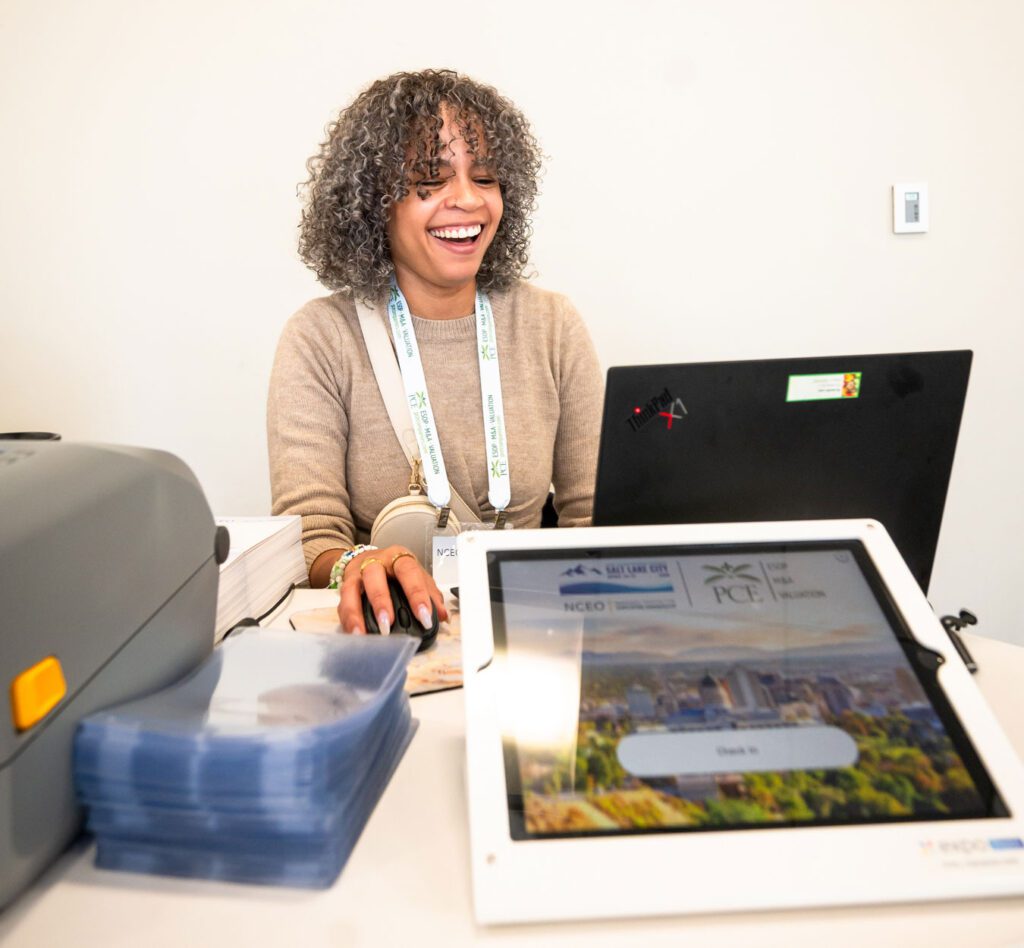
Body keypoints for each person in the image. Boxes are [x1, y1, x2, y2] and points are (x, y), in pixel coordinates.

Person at [267, 68, 602, 637]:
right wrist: (361, 563)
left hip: (532, 628)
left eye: (486, 177)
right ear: (374, 202)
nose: (468, 199)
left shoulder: (551, 325)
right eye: (430, 179)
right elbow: (311, 537)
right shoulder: (321, 338)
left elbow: (593, 517)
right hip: (389, 638)